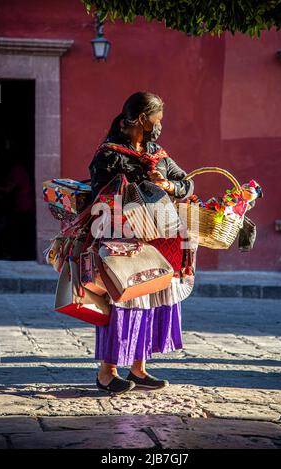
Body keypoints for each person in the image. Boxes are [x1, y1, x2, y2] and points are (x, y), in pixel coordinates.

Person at [89, 91, 196, 394]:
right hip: (122, 238)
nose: (160, 125)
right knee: (122, 301)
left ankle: (139, 368)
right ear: (140, 119)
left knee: (149, 301)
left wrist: (169, 184)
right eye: (157, 119)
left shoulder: (158, 152)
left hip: (160, 239)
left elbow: (187, 183)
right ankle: (107, 372)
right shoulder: (109, 154)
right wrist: (138, 186)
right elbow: (100, 194)